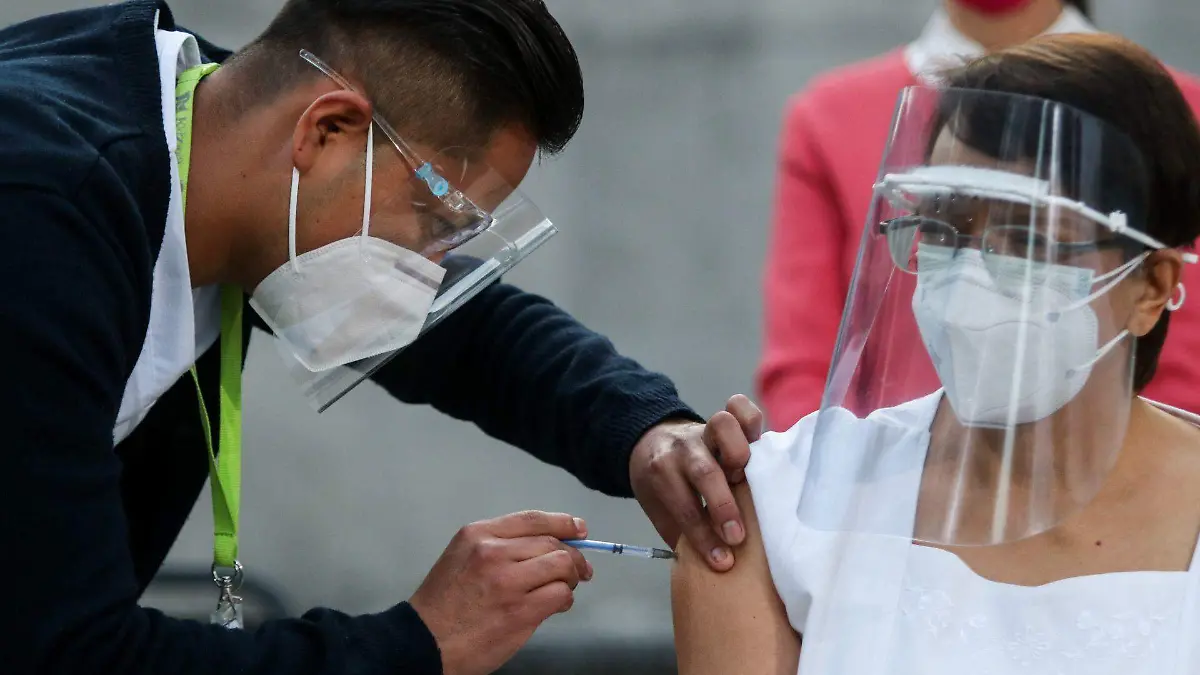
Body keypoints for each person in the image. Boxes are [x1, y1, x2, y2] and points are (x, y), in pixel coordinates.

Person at [0, 1, 763, 674]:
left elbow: (473, 335)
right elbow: (66, 651)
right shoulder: (38, 217)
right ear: (327, 129)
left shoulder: (215, 141)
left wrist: (649, 431)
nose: (429, 269)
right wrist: (418, 641)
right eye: (436, 225)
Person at [675, 33, 1200, 675]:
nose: (969, 272)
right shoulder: (777, 506)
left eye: (1027, 235)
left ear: (1152, 287)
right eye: (944, 227)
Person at [758, 0, 1200, 431]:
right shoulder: (831, 115)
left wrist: (1141, 488)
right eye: (936, 228)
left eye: (1031, 239)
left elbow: (1185, 360)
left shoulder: (1180, 110)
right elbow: (806, 365)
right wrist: (853, 485)